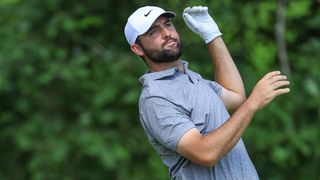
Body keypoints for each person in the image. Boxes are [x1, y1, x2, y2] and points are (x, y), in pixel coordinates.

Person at [124, 5, 290, 180]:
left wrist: (212, 36)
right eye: (153, 32)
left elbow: (235, 97)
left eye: (168, 24)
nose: (167, 33)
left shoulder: (191, 79)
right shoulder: (155, 97)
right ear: (137, 49)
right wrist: (253, 103)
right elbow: (206, 154)